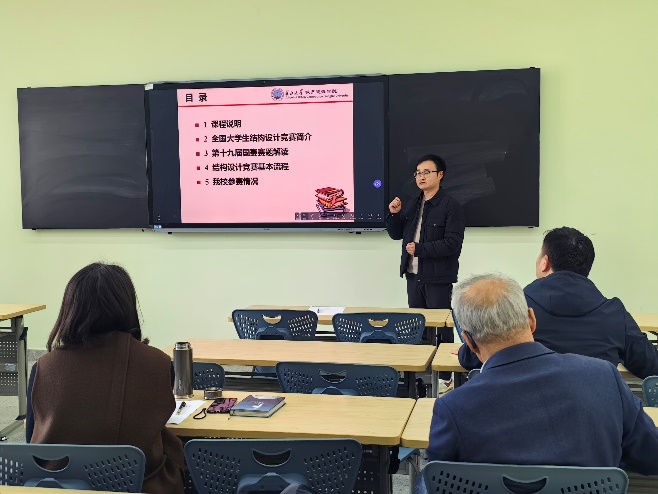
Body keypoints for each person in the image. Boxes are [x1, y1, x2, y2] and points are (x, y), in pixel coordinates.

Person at [428, 273, 658, 475]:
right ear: (531, 320)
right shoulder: (604, 377)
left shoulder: (453, 408)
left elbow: (436, 482)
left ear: (468, 342)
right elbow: (651, 456)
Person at [27, 263, 184, 494]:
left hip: (57, 487)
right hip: (140, 484)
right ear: (128, 305)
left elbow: (31, 440)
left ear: (70, 308)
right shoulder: (158, 363)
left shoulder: (44, 367)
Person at [458, 227, 658, 378]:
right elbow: (650, 365)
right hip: (593, 415)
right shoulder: (614, 312)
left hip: (526, 413)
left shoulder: (515, 307)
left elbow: (471, 358)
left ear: (544, 262)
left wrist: (464, 349)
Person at [386, 154, 465, 393]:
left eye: (426, 172)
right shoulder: (413, 203)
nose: (421, 177)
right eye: (418, 173)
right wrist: (394, 214)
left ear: (440, 175)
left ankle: (446, 380)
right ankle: (419, 380)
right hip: (413, 275)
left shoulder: (451, 206)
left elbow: (453, 244)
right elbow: (397, 234)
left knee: (441, 329)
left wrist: (421, 249)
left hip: (437, 278)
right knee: (417, 329)